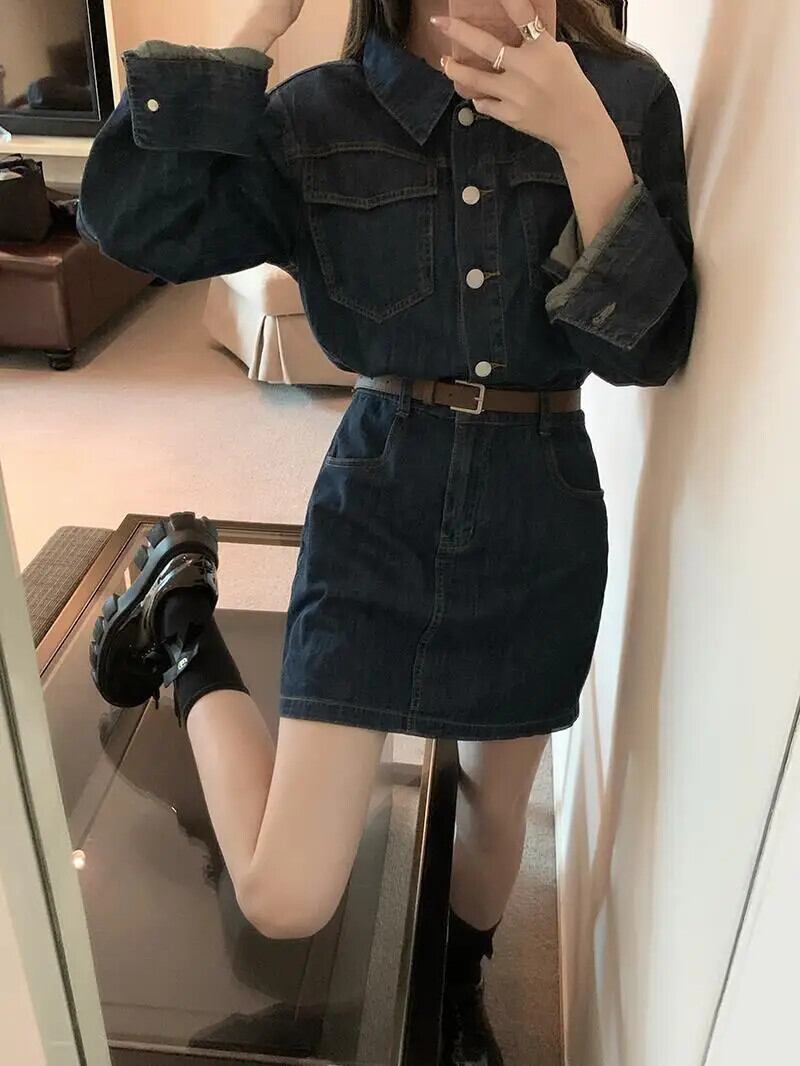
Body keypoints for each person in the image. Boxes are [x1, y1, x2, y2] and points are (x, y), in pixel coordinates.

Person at [79, 0, 697, 1062]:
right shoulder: (317, 114)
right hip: (381, 500)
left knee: (493, 818)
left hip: (541, 508)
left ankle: (457, 987)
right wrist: (256, 27)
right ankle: (181, 626)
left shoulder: (626, 96)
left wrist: (583, 136)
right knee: (284, 893)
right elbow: (135, 224)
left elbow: (648, 352)